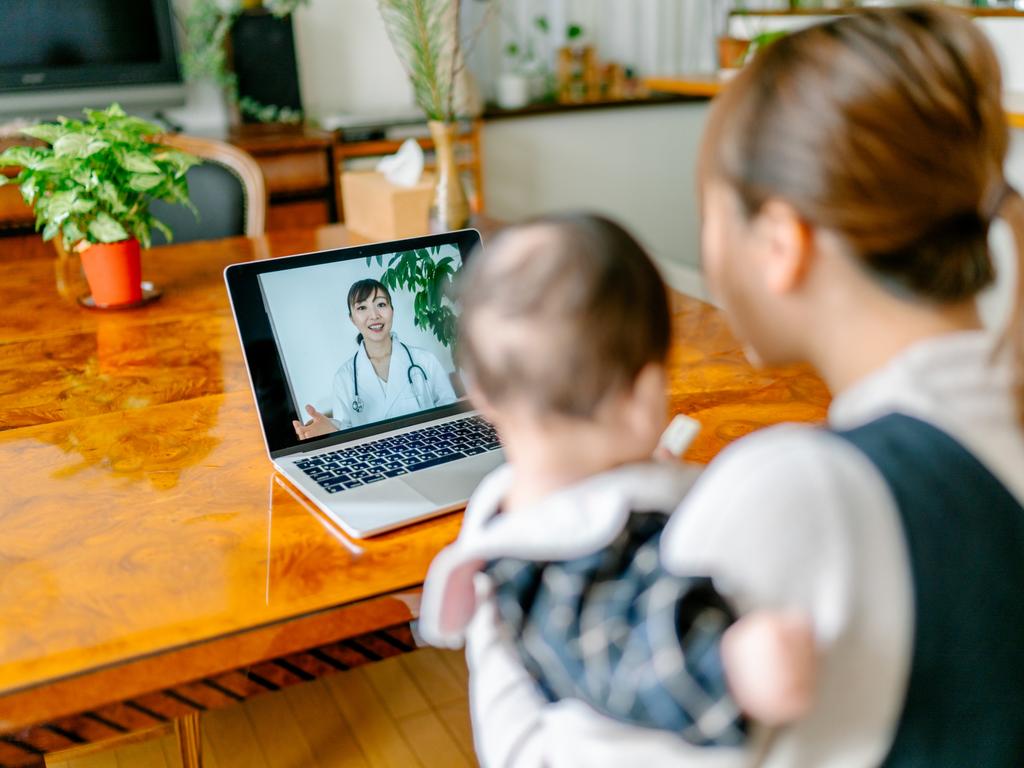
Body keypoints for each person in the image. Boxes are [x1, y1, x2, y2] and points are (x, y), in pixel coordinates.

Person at [419, 214, 817, 767]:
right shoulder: (571, 562)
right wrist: (736, 668)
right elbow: (632, 657)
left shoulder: (500, 511)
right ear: (645, 394)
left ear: (481, 391)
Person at [293, 278, 458, 439]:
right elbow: (346, 435)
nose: (374, 315)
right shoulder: (344, 378)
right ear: (352, 319)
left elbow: (452, 415)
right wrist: (332, 432)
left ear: (392, 310)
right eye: (362, 307)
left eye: (381, 304)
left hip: (429, 447)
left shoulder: (425, 360)